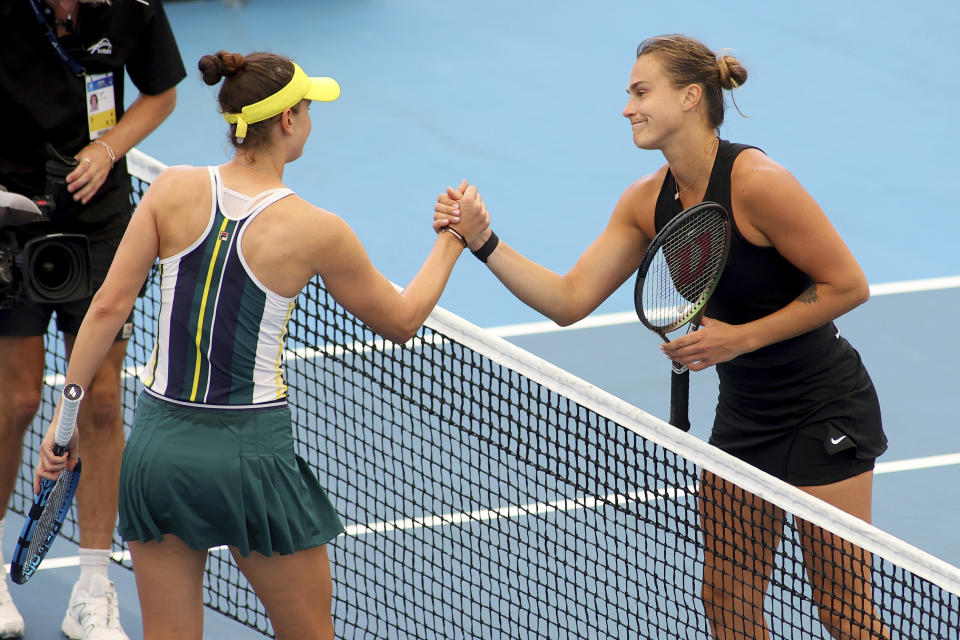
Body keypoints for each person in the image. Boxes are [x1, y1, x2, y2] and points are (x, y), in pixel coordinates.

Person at [434, 34, 889, 640]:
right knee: (727, 603)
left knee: (843, 611)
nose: (627, 107)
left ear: (691, 98)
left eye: (641, 92)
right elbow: (568, 300)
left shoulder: (757, 183)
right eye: (630, 94)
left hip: (824, 407)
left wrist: (738, 340)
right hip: (746, 417)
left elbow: (847, 286)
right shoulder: (647, 201)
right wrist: (483, 241)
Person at [34, 50, 488, 640]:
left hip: (158, 456)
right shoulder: (317, 230)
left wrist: (63, 425)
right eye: (307, 108)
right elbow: (401, 321)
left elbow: (106, 309)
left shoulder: (170, 190)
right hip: (251, 461)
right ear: (289, 122)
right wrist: (454, 239)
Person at [0, 1, 185, 639]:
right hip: (9, 210)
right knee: (16, 401)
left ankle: (93, 585)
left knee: (103, 402)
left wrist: (108, 148)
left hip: (97, 212)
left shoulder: (133, 5)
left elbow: (161, 93)